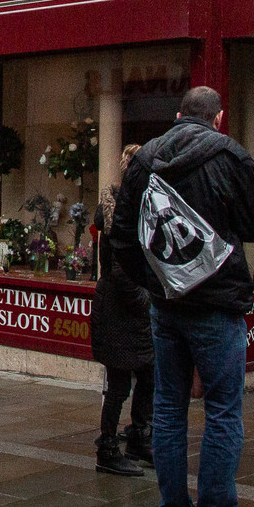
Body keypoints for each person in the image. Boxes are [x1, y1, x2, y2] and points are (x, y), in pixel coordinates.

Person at [110, 86, 254, 507]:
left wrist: (156, 280)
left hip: (166, 307)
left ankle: (173, 504)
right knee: (222, 411)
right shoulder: (230, 156)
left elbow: (121, 236)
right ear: (217, 119)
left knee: (167, 409)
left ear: (179, 115)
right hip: (218, 307)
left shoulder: (145, 158)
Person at [91, 145, 153, 477]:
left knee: (148, 372)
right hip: (118, 311)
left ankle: (140, 438)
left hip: (131, 311)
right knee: (118, 383)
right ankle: (108, 448)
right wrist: (150, 300)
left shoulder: (138, 208)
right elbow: (120, 274)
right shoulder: (120, 215)